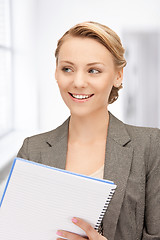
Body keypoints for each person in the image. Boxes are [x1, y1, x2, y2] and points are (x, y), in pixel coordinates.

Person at [17, 21, 160, 240]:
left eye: (94, 70)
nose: (78, 82)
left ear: (118, 75)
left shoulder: (150, 145)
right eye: (67, 69)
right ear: (56, 73)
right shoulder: (32, 150)